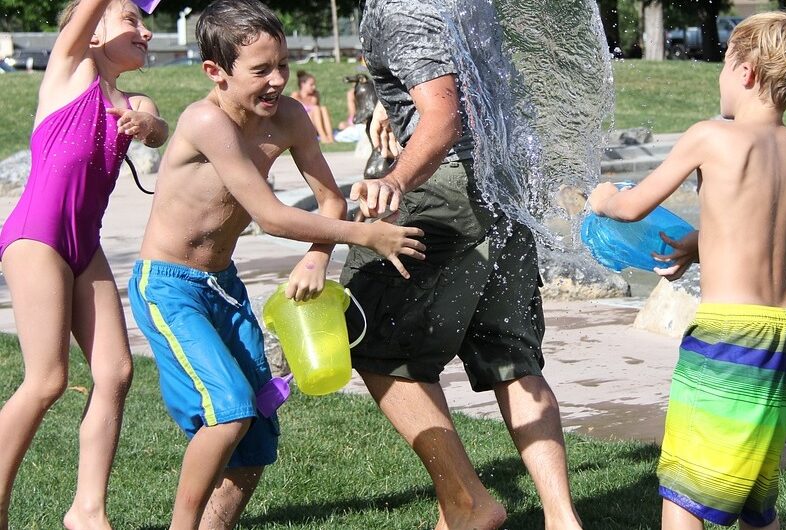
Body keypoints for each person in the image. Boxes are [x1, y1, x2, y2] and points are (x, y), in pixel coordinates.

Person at [126, 1, 425, 528]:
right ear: (216, 73)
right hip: (169, 287)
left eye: (282, 65)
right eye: (260, 70)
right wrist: (366, 235)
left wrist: (318, 256)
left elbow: (329, 198)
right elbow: (269, 215)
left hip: (223, 286)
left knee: (258, 424)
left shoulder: (289, 117)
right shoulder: (205, 121)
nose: (277, 80)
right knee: (230, 407)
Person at [341, 1, 584, 528]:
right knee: (511, 358)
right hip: (506, 187)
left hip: (448, 188)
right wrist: (392, 102)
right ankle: (562, 518)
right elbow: (464, 82)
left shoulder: (398, 9)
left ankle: (467, 503)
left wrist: (395, 180)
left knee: (364, 328)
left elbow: (444, 116)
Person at [588, 11, 786, 530]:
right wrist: (700, 243)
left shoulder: (710, 137)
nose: (720, 75)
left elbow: (632, 208)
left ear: (746, 72)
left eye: (723, 64)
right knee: (755, 500)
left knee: (685, 494)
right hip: (780, 337)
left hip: (727, 336)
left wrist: (604, 198)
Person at [0, 1, 166, 528]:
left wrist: (149, 124)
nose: (146, 31)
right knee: (47, 381)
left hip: (83, 245)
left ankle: (87, 510)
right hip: (37, 238)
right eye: (132, 22)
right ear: (91, 34)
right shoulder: (71, 71)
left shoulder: (134, 99)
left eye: (145, 23)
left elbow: (159, 130)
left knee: (116, 371)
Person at [291, 70, 335, 144]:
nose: (314, 87)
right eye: (311, 85)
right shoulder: (296, 95)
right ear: (303, 84)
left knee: (323, 108)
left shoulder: (315, 95)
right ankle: (323, 137)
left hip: (314, 126)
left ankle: (330, 137)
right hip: (301, 125)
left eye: (314, 85)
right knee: (316, 108)